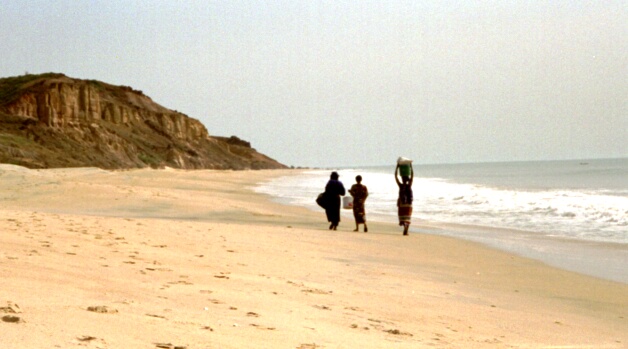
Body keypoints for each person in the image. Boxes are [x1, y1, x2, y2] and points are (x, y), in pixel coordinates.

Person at [395, 163, 414, 235]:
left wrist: (397, 168)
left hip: (402, 203)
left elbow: (396, 177)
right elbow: (412, 176)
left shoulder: (401, 185)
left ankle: (404, 227)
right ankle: (406, 229)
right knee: (408, 217)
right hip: (409, 203)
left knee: (402, 217)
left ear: (402, 179)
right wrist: (411, 167)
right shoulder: (409, 185)